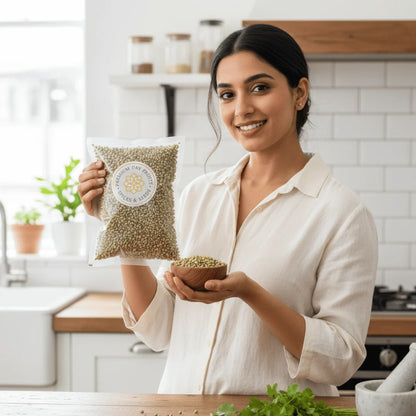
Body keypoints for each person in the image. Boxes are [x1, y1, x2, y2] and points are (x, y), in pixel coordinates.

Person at [78, 23, 378, 396]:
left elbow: (340, 360)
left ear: (299, 93)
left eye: (260, 87)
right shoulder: (200, 194)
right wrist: (121, 224)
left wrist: (250, 293)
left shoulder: (341, 212)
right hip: (182, 407)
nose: (241, 108)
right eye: (226, 94)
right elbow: (158, 330)